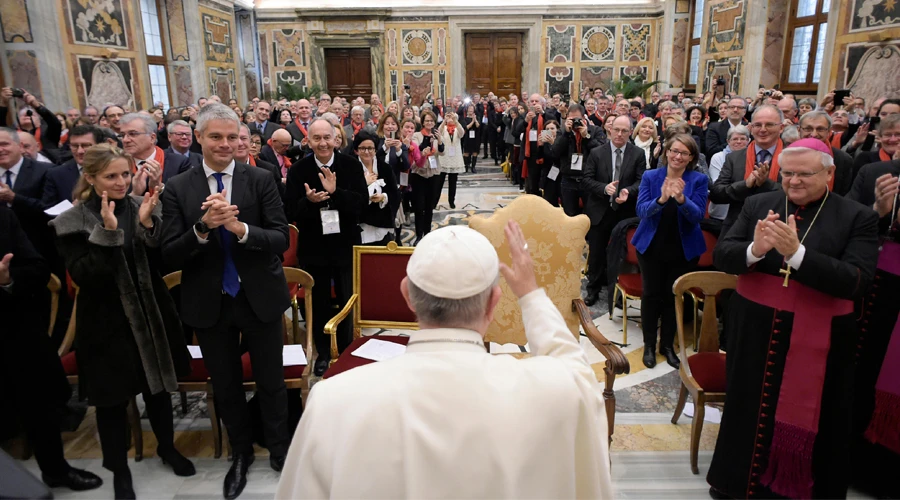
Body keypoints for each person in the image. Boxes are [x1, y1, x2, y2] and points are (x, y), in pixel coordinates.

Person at [275, 222, 614, 498]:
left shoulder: (333, 400)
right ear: (494, 302)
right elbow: (576, 370)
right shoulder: (556, 391)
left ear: (407, 295)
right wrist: (530, 295)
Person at [707, 138, 880, 499]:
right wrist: (756, 250)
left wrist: (796, 254)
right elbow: (724, 255)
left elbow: (857, 282)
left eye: (805, 174)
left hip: (822, 338)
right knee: (745, 407)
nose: (794, 182)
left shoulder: (857, 217)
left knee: (820, 413)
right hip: (754, 329)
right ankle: (734, 484)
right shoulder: (758, 203)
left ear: (829, 173)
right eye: (787, 174)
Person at [161, 104, 291, 499]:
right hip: (209, 301)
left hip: (259, 297)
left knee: (271, 382)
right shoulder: (178, 188)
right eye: (216, 136)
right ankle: (240, 454)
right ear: (198, 138)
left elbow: (280, 239)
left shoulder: (260, 178)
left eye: (232, 137)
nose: (225, 144)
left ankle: (281, 451)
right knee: (227, 385)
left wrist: (239, 228)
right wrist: (203, 229)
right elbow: (168, 254)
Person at [51, 145, 194, 498]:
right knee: (111, 402)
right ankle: (118, 469)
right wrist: (109, 234)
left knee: (158, 390)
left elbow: (162, 258)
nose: (120, 182)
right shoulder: (72, 221)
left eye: (125, 175)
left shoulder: (139, 206)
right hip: (105, 324)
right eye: (110, 176)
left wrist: (147, 225)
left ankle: (166, 446)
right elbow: (86, 275)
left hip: (152, 314)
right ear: (90, 178)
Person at [1, 205, 103, 494]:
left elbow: (37, 268)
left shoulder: (4, 215)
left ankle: (56, 471)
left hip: (14, 330)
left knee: (40, 403)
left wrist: (7, 280)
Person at [284, 118, 367, 375]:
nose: (322, 143)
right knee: (317, 303)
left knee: (346, 298)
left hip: (344, 245)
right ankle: (321, 350)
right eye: (316, 138)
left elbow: (362, 205)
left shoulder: (351, 166)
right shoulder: (298, 170)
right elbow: (288, 212)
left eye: (327, 138)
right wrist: (309, 202)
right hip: (314, 247)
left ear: (336, 139)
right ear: (308, 141)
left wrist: (336, 192)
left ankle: (344, 349)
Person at [632, 134, 708, 369]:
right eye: (674, 151)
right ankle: (648, 346)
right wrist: (663, 199)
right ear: (666, 152)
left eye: (684, 153)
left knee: (674, 296)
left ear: (691, 157)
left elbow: (697, 216)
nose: (677, 156)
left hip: (683, 249)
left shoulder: (699, 180)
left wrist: (682, 199)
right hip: (652, 247)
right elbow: (641, 210)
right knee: (651, 295)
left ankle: (667, 345)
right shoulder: (650, 176)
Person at [581, 115, 647, 306]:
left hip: (623, 212)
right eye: (616, 129)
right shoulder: (596, 153)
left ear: (630, 132)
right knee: (596, 253)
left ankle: (616, 293)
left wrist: (628, 191)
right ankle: (592, 290)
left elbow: (641, 180)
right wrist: (604, 188)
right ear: (609, 130)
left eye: (624, 131)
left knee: (619, 255)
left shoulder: (637, 154)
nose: (619, 134)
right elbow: (586, 179)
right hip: (600, 210)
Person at [709, 104, 784, 237]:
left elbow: (797, 194)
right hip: (737, 229)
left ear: (781, 128)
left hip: (777, 230)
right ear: (750, 128)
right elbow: (716, 194)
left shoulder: (792, 156)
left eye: (769, 125)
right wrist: (745, 185)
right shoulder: (734, 157)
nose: (762, 129)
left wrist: (766, 183)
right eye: (757, 125)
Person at [117, 113, 191, 197]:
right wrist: (134, 194)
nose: (125, 140)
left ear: (152, 138)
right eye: (122, 135)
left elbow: (186, 199)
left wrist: (159, 188)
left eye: (133, 134)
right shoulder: (118, 166)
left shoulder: (179, 163)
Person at [555, 104, 603, 217]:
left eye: (578, 119)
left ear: (584, 117)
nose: (575, 122)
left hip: (589, 179)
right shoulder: (562, 132)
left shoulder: (595, 130)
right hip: (568, 179)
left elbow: (601, 153)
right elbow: (555, 152)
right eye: (571, 119)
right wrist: (566, 134)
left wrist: (587, 136)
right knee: (569, 215)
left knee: (590, 214)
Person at [353, 130, 399, 245]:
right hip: (359, 223)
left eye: (370, 148)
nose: (367, 152)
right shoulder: (350, 168)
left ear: (375, 150)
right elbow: (347, 194)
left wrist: (383, 197)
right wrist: (363, 183)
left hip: (382, 222)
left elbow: (395, 193)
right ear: (357, 150)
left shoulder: (385, 168)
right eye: (363, 148)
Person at [797, 110, 855, 195]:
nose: (814, 134)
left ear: (829, 132)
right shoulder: (786, 155)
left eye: (820, 129)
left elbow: (845, 193)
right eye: (808, 129)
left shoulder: (843, 159)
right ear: (799, 130)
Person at [43, 125, 101, 208]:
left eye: (85, 145)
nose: (80, 151)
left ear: (99, 145)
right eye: (74, 146)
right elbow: (48, 209)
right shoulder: (56, 175)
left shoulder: (113, 169)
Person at [410, 111, 444, 242]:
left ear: (434, 122)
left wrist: (439, 140)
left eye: (431, 121)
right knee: (419, 206)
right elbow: (416, 150)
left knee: (429, 205)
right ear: (423, 122)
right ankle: (419, 234)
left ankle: (427, 232)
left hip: (434, 172)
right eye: (427, 121)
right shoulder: (417, 135)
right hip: (419, 172)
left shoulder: (437, 135)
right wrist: (427, 141)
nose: (429, 123)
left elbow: (442, 152)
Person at [708, 125, 750, 222]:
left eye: (743, 139)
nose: (739, 142)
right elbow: (718, 186)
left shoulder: (753, 158)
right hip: (720, 214)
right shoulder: (718, 157)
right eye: (735, 139)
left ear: (749, 141)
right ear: (728, 141)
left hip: (744, 213)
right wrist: (745, 184)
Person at [435, 112, 464, 209]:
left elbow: (462, 133)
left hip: (455, 158)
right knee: (439, 182)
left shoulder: (457, 128)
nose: (451, 119)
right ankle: (434, 201)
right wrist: (444, 121)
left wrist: (456, 121)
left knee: (453, 182)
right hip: (444, 157)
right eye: (449, 118)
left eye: (453, 118)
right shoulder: (443, 128)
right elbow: (438, 132)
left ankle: (451, 201)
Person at [460, 104, 481, 173]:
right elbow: (466, 127)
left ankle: (473, 167)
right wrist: (472, 121)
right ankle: (466, 166)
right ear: (467, 109)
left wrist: (475, 120)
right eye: (469, 108)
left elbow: (478, 126)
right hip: (467, 137)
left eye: (472, 108)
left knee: (475, 152)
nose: (471, 110)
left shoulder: (477, 117)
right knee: (466, 152)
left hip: (475, 137)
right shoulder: (464, 118)